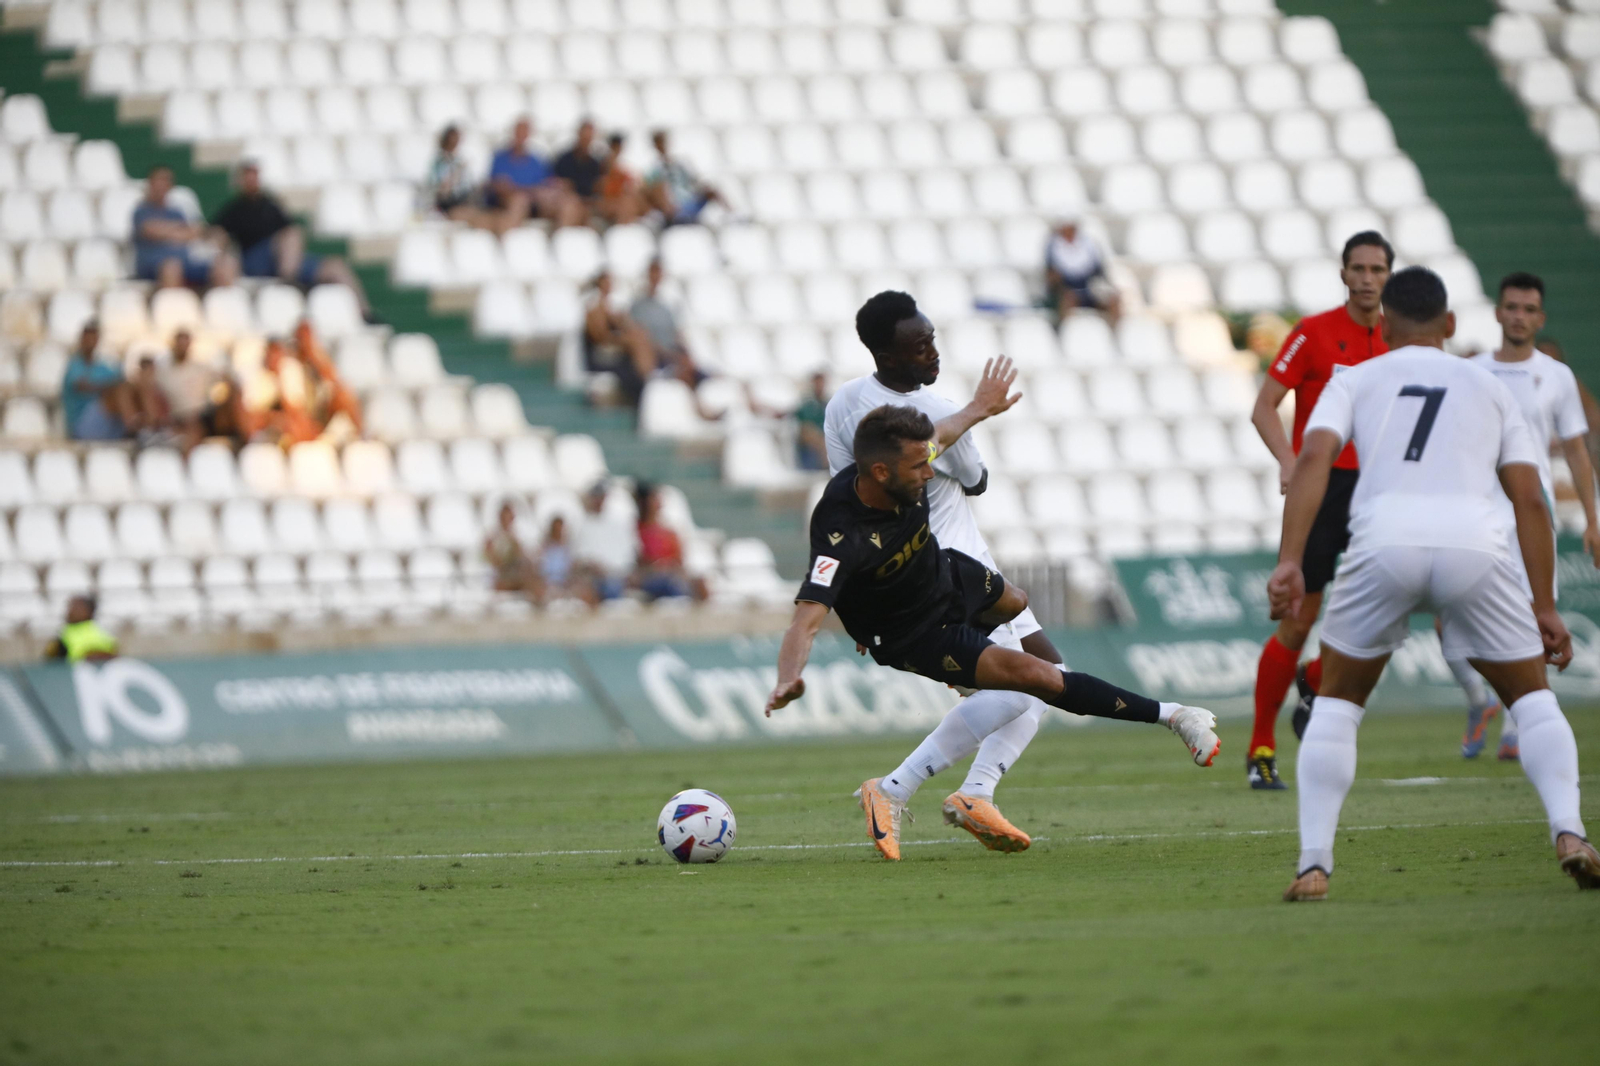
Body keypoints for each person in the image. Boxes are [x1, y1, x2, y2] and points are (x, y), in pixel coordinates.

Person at [1267, 266, 1599, 900]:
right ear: (1450, 325)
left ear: (1383, 326)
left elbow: (1313, 458)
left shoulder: (1354, 377)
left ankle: (1314, 865)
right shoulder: (1491, 385)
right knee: (1532, 700)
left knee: (1337, 704)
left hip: (1383, 542)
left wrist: (1291, 559)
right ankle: (1570, 832)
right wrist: (1546, 605)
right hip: (1476, 545)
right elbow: (1529, 497)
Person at [769, 404, 1221, 861]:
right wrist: (788, 679)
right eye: (918, 466)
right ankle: (1174, 716)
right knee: (1038, 680)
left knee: (1017, 602)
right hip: (914, 631)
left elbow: (942, 434)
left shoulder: (906, 462)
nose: (929, 473)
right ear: (881, 471)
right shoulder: (840, 532)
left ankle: (920, 784)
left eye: (928, 459)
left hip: (947, 576)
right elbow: (805, 618)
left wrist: (982, 405)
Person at [1245, 231, 1392, 790]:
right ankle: (1261, 748)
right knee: (1297, 620)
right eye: (1357, 267)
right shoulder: (1312, 333)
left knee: (1388, 615)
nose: (1366, 278)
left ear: (1388, 276)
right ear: (1343, 273)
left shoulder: (1402, 338)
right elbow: (1264, 409)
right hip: (1324, 489)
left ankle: (1314, 678)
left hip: (1381, 491)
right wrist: (1289, 460)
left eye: (1377, 269)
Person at [1456, 272, 1600, 760]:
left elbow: (1578, 452)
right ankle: (1484, 701)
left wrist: (1593, 518)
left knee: (1535, 621)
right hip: (1476, 511)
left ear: (1540, 317)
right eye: (1511, 307)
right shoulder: (1471, 370)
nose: (1518, 316)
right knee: (1451, 625)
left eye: (1528, 309)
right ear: (1497, 312)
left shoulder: (1555, 375)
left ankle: (1519, 726)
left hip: (1531, 513)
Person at [212, 161, 374, 320]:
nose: (252, 180)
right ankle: (288, 280)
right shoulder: (233, 210)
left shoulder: (271, 204)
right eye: (248, 176)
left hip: (285, 258)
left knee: (335, 266)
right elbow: (217, 234)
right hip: (256, 261)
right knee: (291, 236)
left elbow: (289, 227)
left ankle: (364, 314)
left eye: (255, 175)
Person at [132, 165, 234, 289]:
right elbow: (151, 230)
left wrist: (169, 231)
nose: (162, 185)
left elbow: (195, 231)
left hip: (186, 262)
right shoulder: (141, 211)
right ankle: (172, 306)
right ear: (150, 184)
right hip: (153, 265)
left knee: (224, 264)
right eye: (159, 180)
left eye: (166, 181)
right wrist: (180, 231)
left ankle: (223, 305)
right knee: (172, 267)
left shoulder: (177, 213)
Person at [488, 117, 587, 229]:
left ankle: (563, 237)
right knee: (520, 201)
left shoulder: (536, 160)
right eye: (519, 131)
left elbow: (547, 182)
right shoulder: (500, 158)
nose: (521, 136)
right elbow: (500, 186)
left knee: (570, 203)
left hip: (537, 201)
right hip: (515, 202)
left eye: (524, 132)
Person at [584, 271, 658, 407]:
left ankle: (648, 374)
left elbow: (623, 325)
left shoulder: (609, 306)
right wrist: (622, 338)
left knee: (640, 335)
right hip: (601, 352)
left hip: (612, 346)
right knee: (636, 340)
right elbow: (600, 337)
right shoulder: (594, 306)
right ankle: (648, 374)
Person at [161, 328, 243, 451]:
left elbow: (226, 379)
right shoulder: (162, 370)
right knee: (192, 427)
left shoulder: (201, 368)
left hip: (201, 415)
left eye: (186, 343)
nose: (183, 347)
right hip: (176, 415)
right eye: (180, 343)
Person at [61, 322, 133, 441]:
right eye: (88, 338)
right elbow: (82, 386)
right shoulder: (74, 365)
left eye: (93, 338)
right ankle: (132, 429)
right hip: (81, 424)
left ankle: (144, 427)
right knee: (119, 392)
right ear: (81, 340)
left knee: (131, 387)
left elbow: (121, 380)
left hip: (102, 421)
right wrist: (110, 385)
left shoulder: (101, 366)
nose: (90, 342)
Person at [634, 483, 707, 601]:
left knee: (700, 583)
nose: (659, 502)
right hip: (650, 576)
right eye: (654, 498)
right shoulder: (635, 529)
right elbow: (638, 559)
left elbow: (679, 559)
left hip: (672, 574)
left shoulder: (669, 531)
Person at [1044, 217, 1120, 324]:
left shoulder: (1089, 244)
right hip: (1067, 290)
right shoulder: (1053, 246)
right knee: (1068, 299)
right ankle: (1065, 330)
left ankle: (1114, 332)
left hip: (1090, 288)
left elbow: (1099, 271)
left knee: (1113, 299)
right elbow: (1051, 276)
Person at [644, 129, 726, 225]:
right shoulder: (653, 169)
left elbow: (695, 181)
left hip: (690, 200)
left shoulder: (681, 163)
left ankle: (731, 214)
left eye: (663, 141)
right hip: (671, 207)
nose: (662, 145)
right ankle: (677, 218)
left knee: (711, 189)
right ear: (655, 146)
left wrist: (700, 189)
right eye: (659, 143)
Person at [572, 482, 635, 601]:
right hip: (592, 575)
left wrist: (616, 570)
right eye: (596, 497)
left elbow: (627, 554)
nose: (598, 501)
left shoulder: (618, 523)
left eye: (601, 497)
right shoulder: (582, 524)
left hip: (617, 574)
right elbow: (578, 556)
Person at [485, 501, 538, 597]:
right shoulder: (492, 538)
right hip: (501, 577)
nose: (508, 521)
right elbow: (495, 562)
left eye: (510, 517)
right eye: (506, 518)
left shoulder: (515, 537)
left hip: (514, 574)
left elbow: (522, 557)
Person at [44, 596, 118, 662]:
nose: (70, 611)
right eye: (70, 607)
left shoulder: (101, 635)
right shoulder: (62, 635)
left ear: (88, 611)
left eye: (76, 607)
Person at [553, 119, 604, 215]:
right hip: (568, 202)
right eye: (584, 137)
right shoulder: (564, 160)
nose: (586, 141)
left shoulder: (594, 164)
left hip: (588, 203)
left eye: (589, 138)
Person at [597, 132, 648, 224]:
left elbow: (633, 180)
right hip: (609, 201)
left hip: (618, 199)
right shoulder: (605, 164)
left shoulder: (619, 166)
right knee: (627, 203)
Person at [795, 371, 829, 471]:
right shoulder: (805, 404)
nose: (820, 386)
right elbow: (804, 429)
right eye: (817, 383)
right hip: (810, 449)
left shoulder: (829, 403)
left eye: (822, 382)